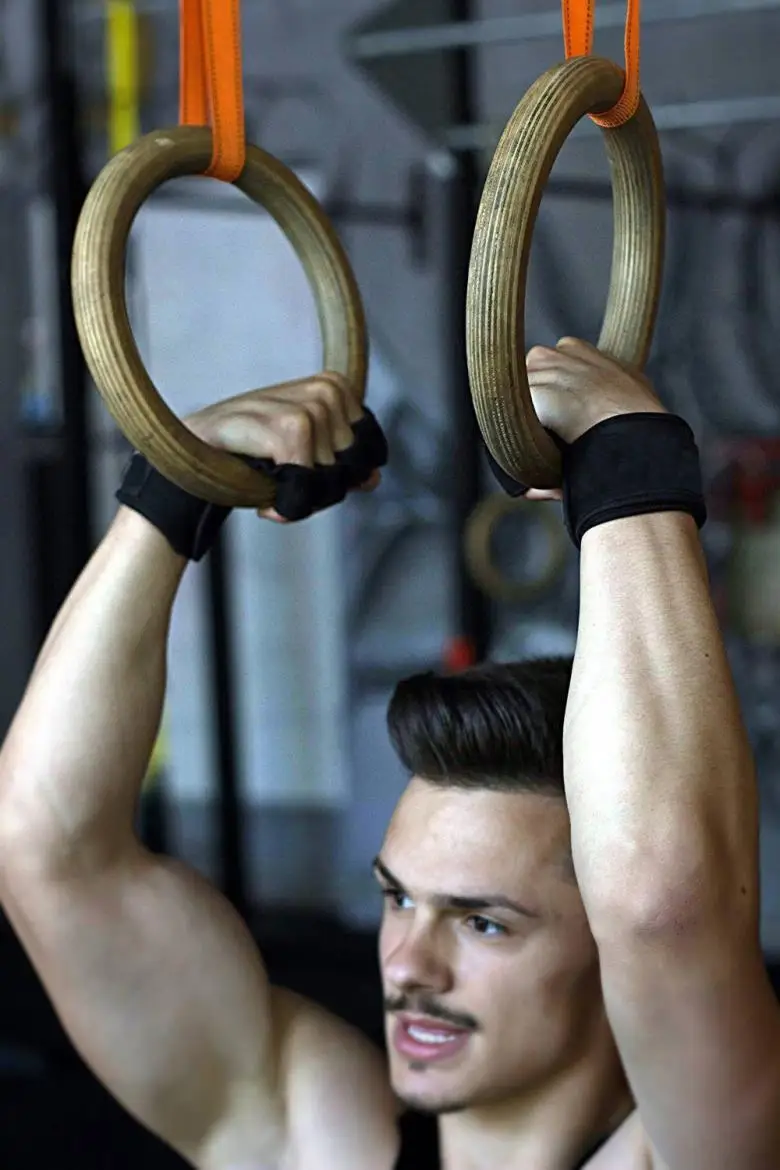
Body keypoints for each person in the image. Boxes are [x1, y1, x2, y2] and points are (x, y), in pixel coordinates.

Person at [0, 340, 778, 1170]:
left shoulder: (708, 1146)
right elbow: (43, 846)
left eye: (483, 923)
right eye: (398, 900)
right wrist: (171, 492)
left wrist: (630, 465)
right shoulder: (315, 1141)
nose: (409, 967)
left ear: (606, 948)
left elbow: (662, 909)